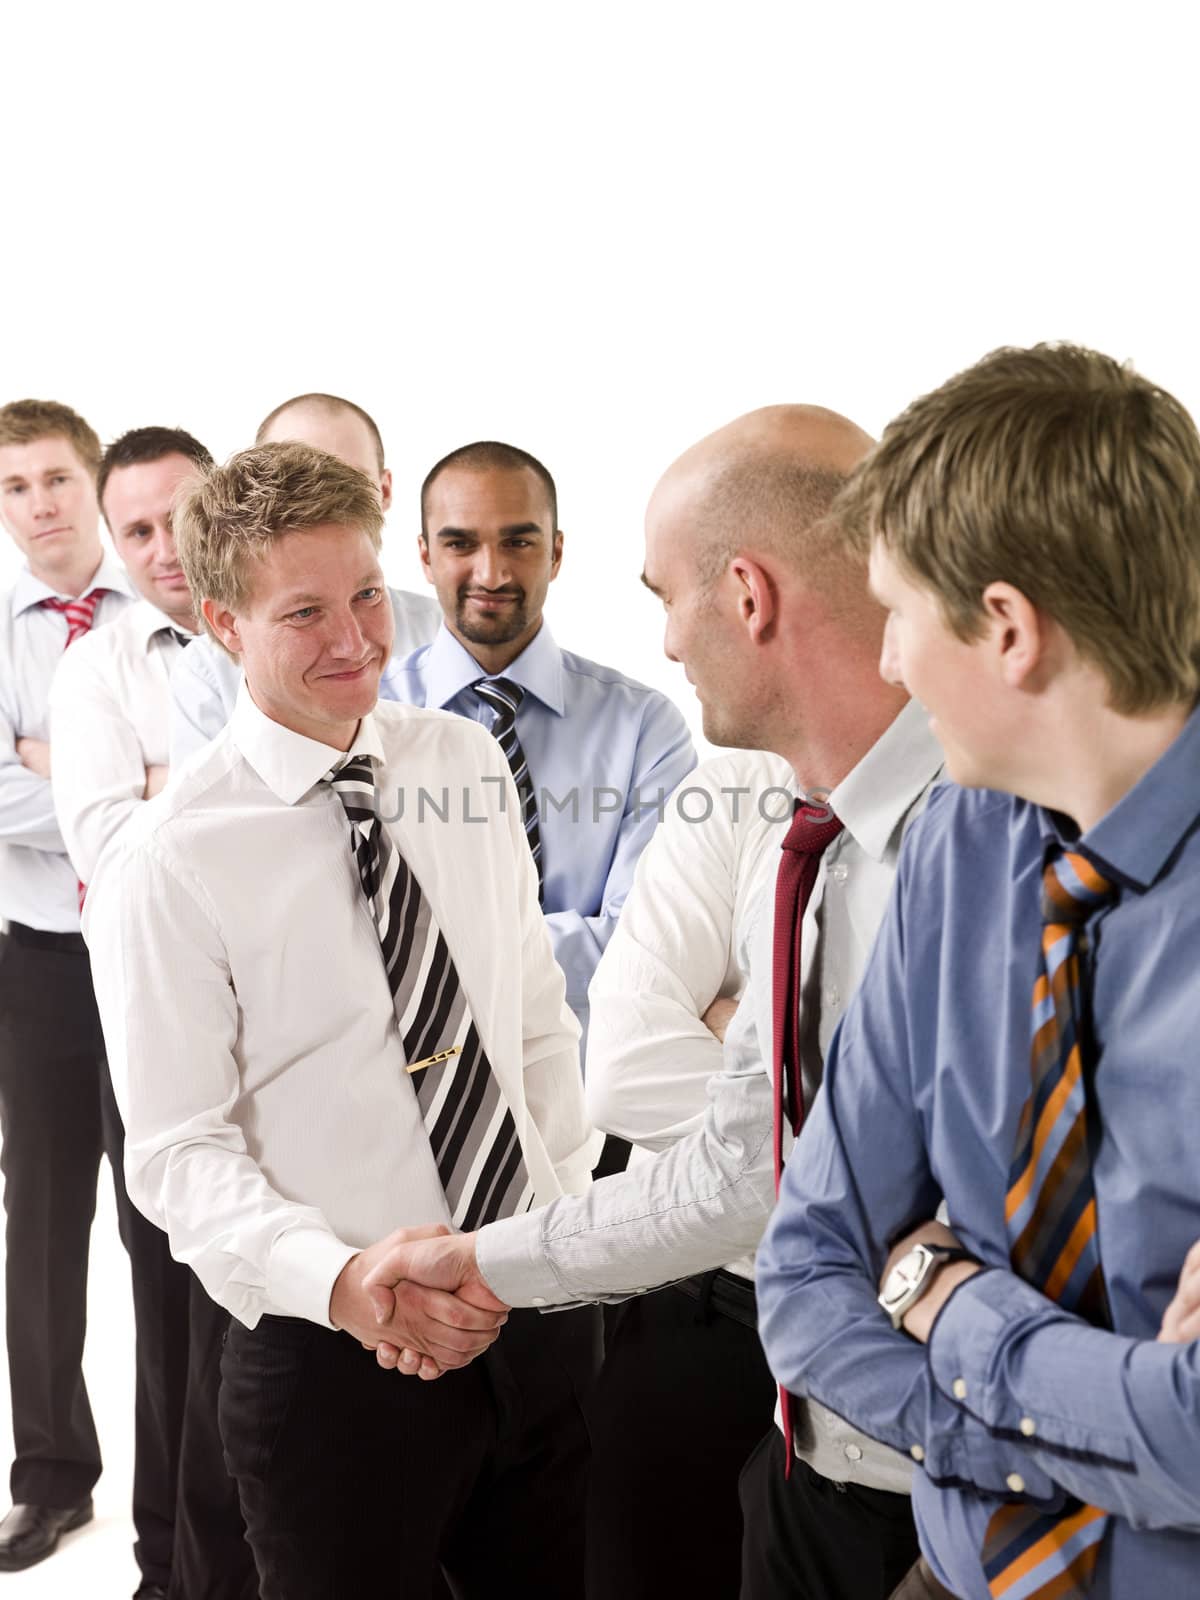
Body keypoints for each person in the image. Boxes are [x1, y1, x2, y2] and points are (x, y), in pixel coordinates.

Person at [365, 405, 946, 1600]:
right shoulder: (791, 824)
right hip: (813, 1454)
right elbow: (735, 1145)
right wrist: (485, 1259)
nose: (666, 644)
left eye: (665, 595)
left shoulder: (987, 818)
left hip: (965, 1484)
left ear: (748, 595)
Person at [85, 441, 600, 1600]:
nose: (355, 640)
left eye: (366, 594)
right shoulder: (169, 860)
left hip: (532, 1310)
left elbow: (532, 1027)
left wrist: (544, 1237)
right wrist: (347, 1279)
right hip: (331, 1363)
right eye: (304, 612)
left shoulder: (463, 760)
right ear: (223, 624)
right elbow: (178, 1154)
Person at [755, 344, 1200, 1599]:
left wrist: (943, 1298)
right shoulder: (960, 840)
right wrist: (1105, 1428)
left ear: (1008, 630)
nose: (888, 662)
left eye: (897, 612)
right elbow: (805, 1276)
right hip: (958, 1575)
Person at [49, 425, 257, 1600]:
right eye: (136, 530)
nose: (167, 547)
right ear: (114, 544)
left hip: (299, 1026)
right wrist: (251, 782)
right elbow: (108, 853)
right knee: (174, 1310)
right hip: (163, 1029)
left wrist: (170, 787)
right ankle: (170, 1566)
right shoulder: (103, 668)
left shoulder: (286, 624)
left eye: (184, 516)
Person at [389, 439, 696, 1052]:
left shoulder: (644, 728)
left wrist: (432, 950)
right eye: (460, 543)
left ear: (555, 553)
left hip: (595, 1104)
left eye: (518, 542)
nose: (492, 573)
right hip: (406, 1099)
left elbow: (646, 950)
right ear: (424, 557)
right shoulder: (366, 719)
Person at [582, 745, 790, 1599]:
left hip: (885, 1336)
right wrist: (863, 1148)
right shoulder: (734, 783)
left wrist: (739, 1030)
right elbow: (626, 1069)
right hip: (696, 1305)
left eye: (672, 601)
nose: (666, 645)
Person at [0, 400, 138, 1578]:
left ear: (91, 483)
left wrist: (56, 764)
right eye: (13, 486)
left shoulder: (164, 611)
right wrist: (117, 784)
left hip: (161, 957)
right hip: (39, 961)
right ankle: (49, 1478)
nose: (38, 504)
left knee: (173, 1222)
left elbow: (206, 781)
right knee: (42, 1227)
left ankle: (194, 1486)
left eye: (54, 478)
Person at [168, 392, 439, 762]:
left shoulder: (461, 745)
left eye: (347, 480)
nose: (353, 645)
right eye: (305, 612)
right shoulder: (203, 670)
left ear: (383, 489)